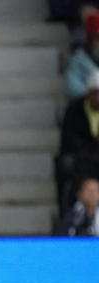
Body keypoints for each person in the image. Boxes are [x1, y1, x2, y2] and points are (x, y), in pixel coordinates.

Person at [58, 71, 99, 213]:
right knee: (71, 167)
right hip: (81, 156)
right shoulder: (75, 109)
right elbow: (68, 139)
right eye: (95, 93)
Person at [66, 12, 99, 100]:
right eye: (97, 37)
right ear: (90, 39)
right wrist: (94, 93)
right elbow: (73, 87)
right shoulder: (79, 59)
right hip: (88, 103)